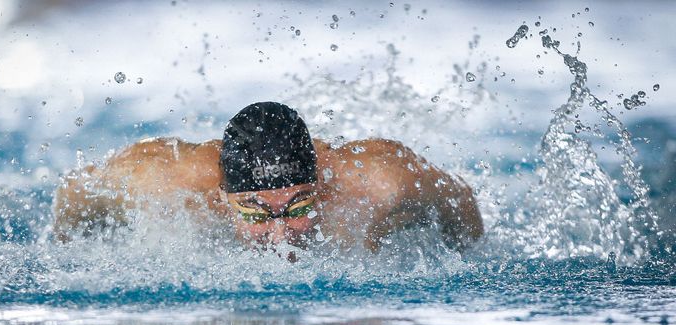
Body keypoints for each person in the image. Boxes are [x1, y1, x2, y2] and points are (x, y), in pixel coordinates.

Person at [53, 101, 483, 254]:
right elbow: (74, 193)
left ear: (319, 184)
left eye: (298, 206)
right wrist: (68, 251)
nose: (280, 234)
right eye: (256, 213)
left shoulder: (380, 179)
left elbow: (459, 198)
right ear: (222, 196)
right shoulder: (161, 177)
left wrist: (467, 254)